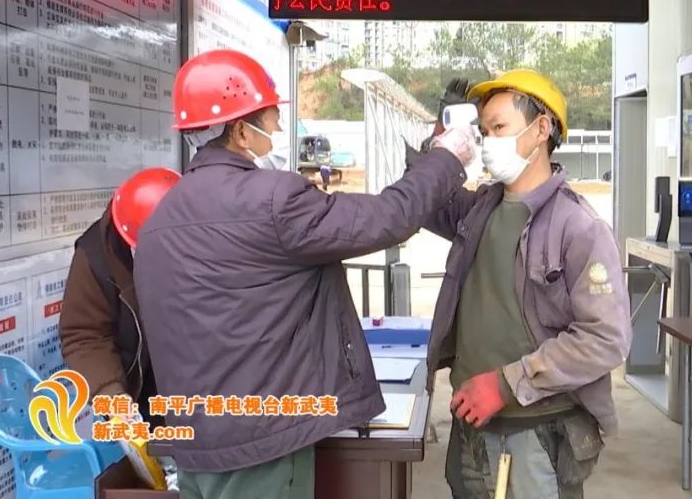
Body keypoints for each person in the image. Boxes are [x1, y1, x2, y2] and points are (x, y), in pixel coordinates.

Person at [132, 49, 477, 499]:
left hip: (195, 444)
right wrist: (447, 158)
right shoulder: (272, 201)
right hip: (262, 445)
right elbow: (388, 218)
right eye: (271, 122)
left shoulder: (163, 217)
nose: (276, 132)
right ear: (240, 130)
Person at [410, 69, 632, 498]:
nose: (487, 141)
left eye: (499, 128)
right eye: (482, 129)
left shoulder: (579, 227)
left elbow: (606, 338)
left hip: (537, 435)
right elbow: (420, 199)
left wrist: (508, 383)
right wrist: (438, 140)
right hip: (470, 426)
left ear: (540, 130)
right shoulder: (479, 210)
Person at [59, 166, 181, 424]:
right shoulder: (96, 254)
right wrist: (112, 395)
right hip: (142, 387)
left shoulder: (210, 236)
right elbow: (85, 334)